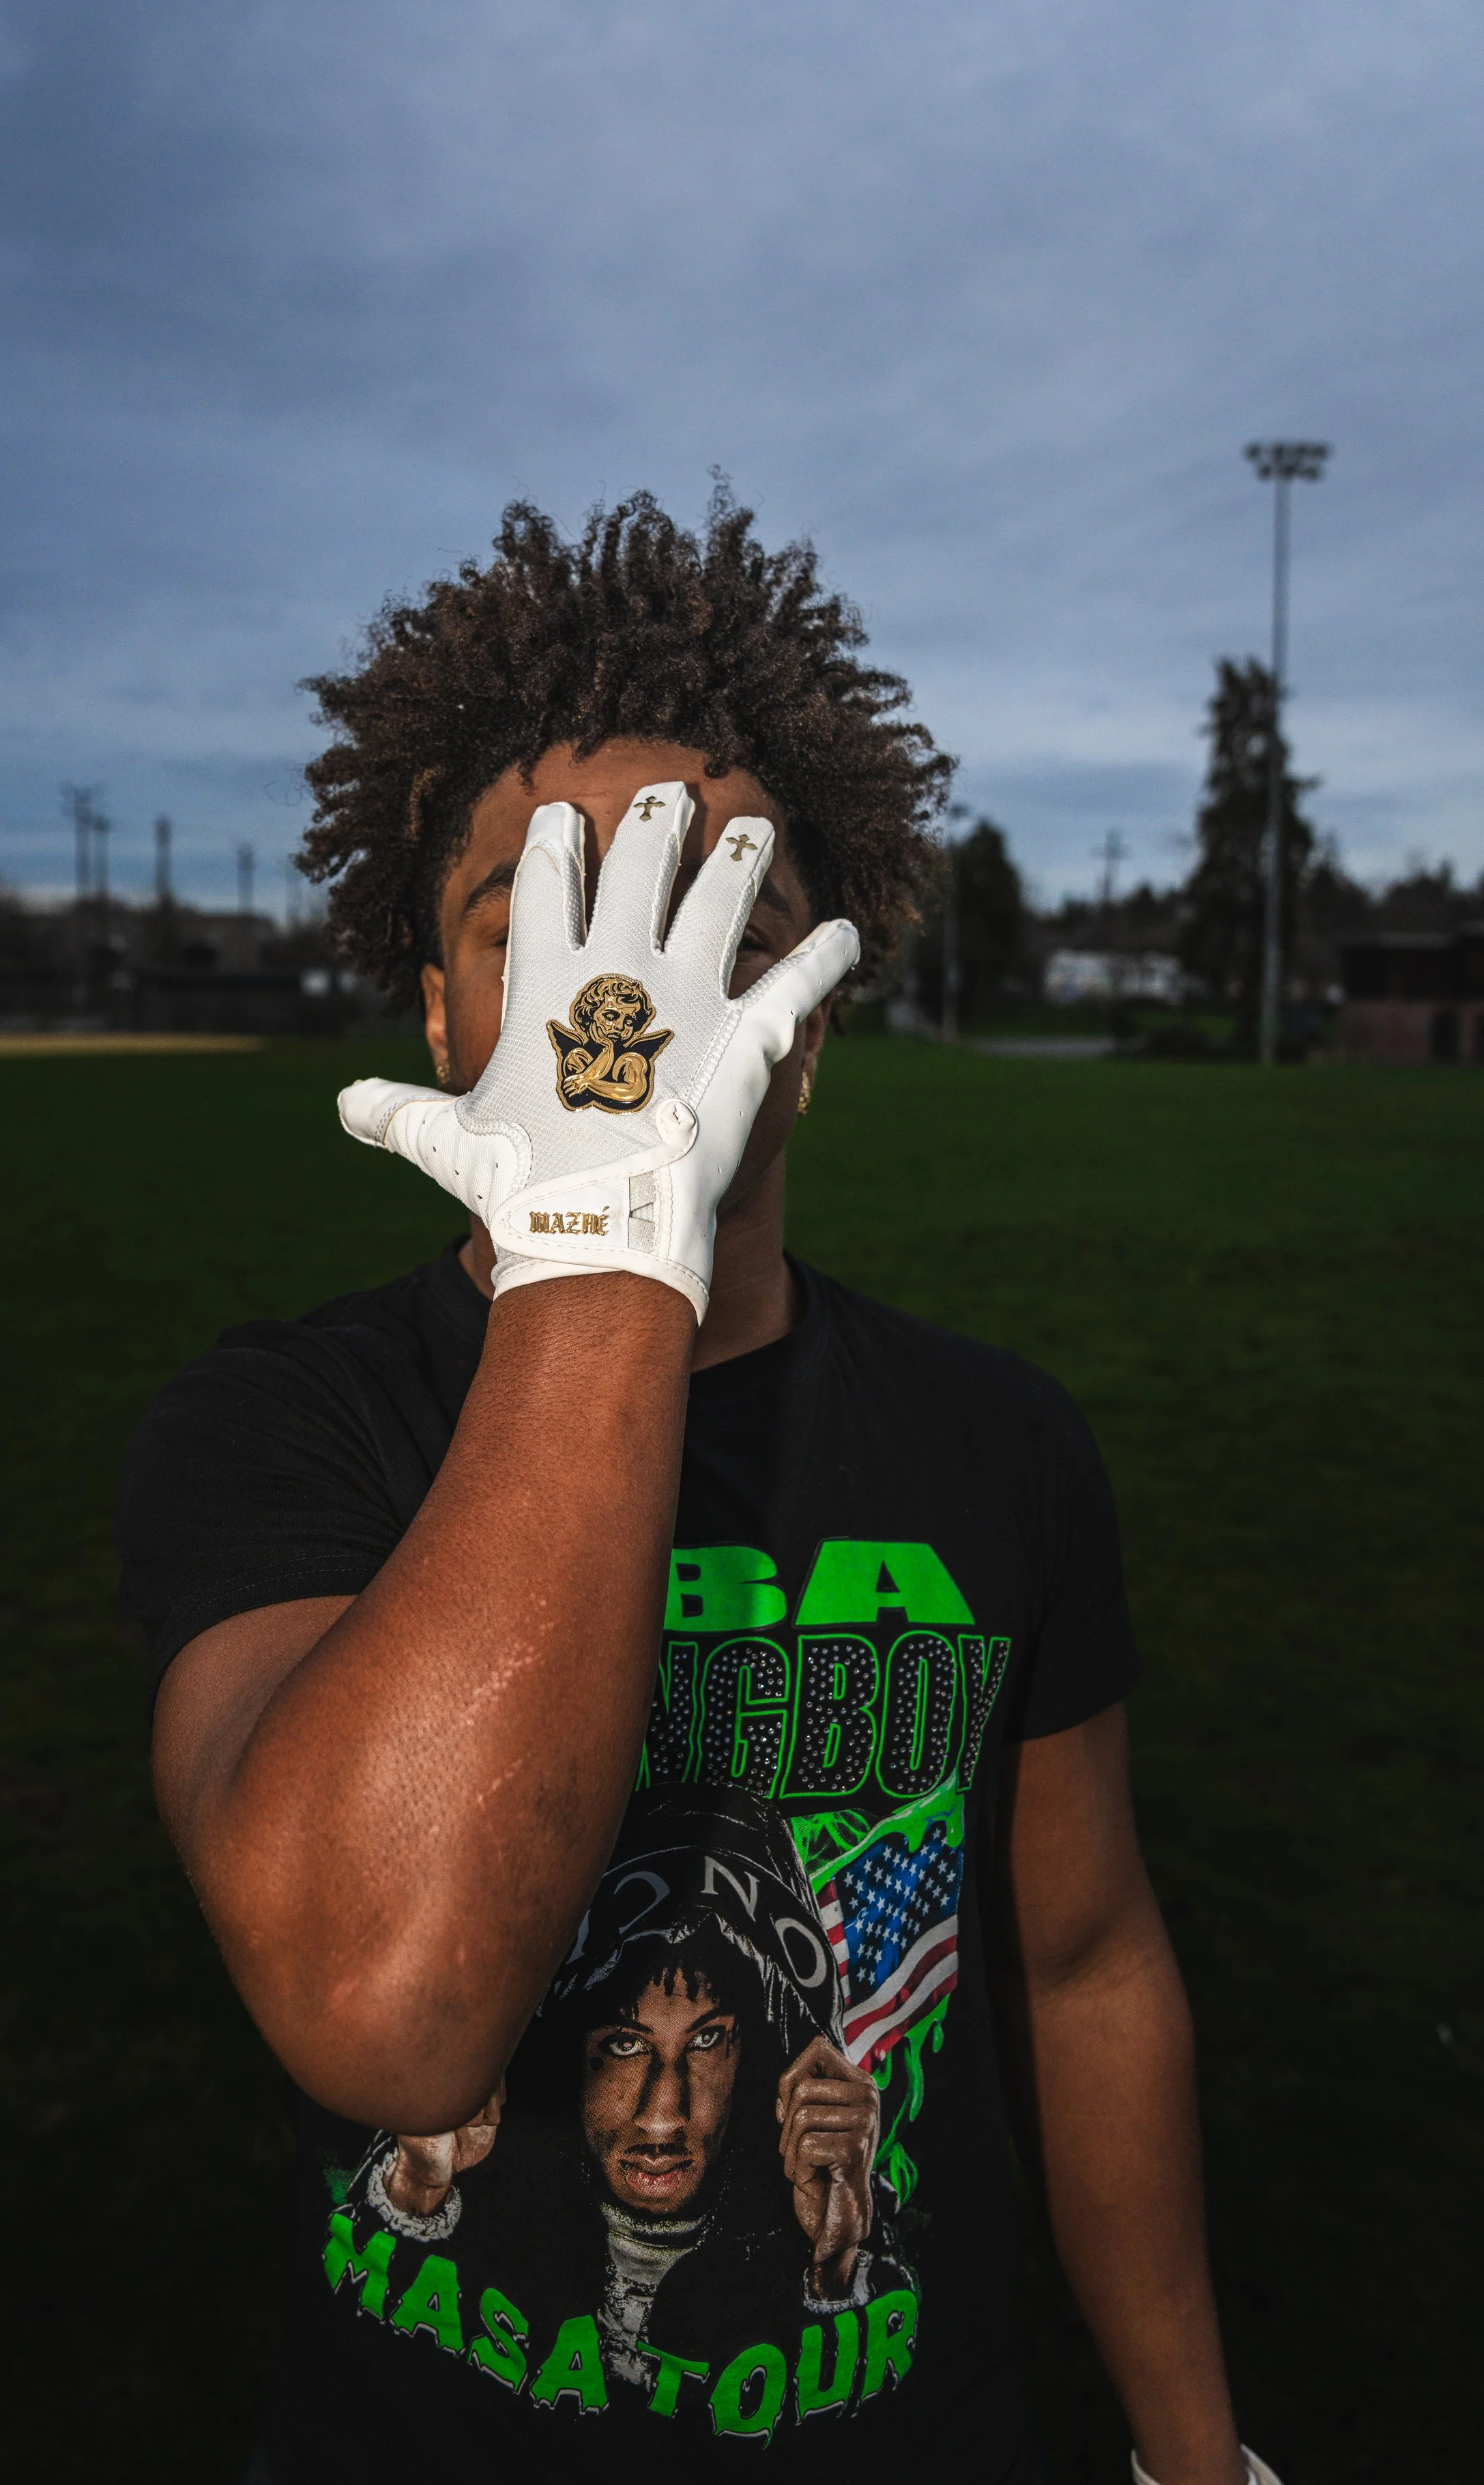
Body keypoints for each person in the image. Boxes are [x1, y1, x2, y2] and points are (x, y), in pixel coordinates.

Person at [118, 489, 1279, 2484]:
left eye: (703, 941)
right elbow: (387, 2006)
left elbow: (1083, 1963)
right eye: (541, 928)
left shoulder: (996, 1442)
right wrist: (599, 1236)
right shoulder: (285, 1428)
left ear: (804, 1031)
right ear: (433, 1010)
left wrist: (1197, 2457)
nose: (623, 1016)